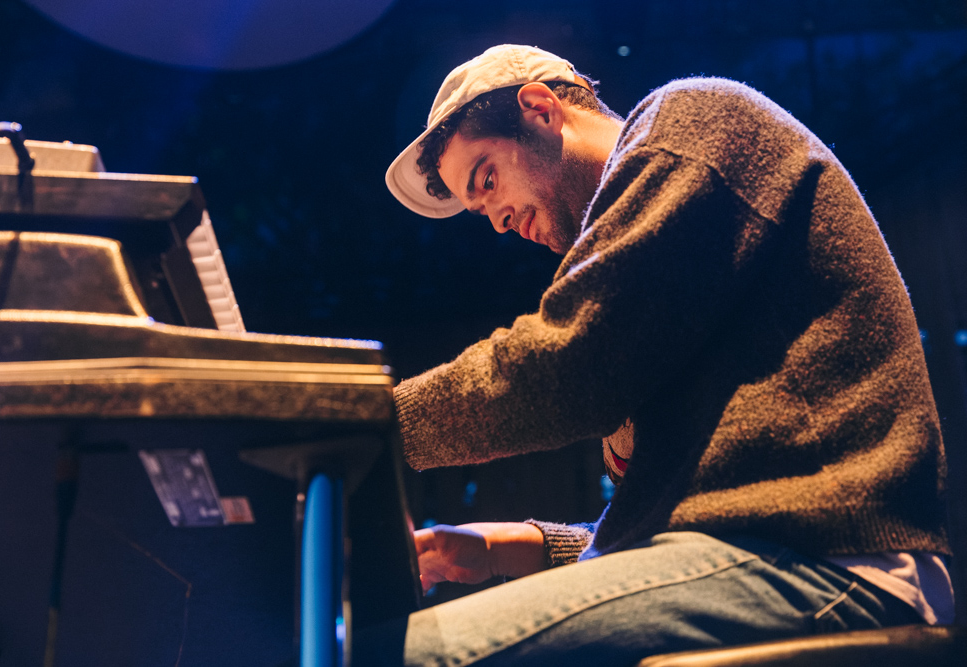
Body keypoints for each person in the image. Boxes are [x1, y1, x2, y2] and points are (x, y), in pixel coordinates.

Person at [360, 44, 954, 666]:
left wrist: (365, 422)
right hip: (774, 557)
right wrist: (518, 546)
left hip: (828, 564)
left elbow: (566, 365)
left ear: (539, 109)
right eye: (481, 211)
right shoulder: (653, 277)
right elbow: (680, 522)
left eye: (486, 179)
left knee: (386, 658)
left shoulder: (693, 121)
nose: (499, 222)